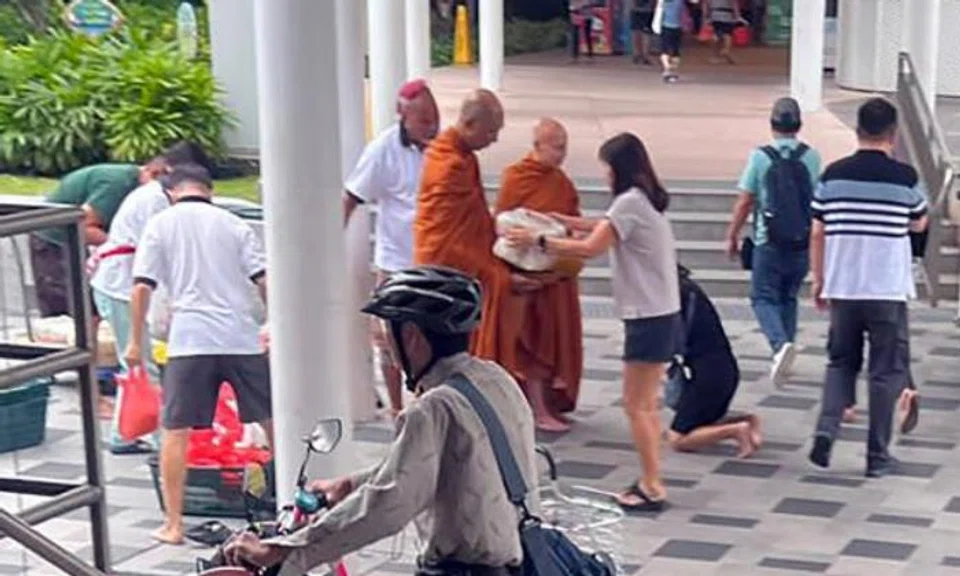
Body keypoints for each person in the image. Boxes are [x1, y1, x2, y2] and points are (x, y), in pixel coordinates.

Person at [221, 267, 539, 576]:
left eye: (388, 332)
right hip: (516, 561)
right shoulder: (498, 381)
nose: (385, 344)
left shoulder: (432, 409)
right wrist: (350, 485)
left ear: (411, 336)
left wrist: (286, 550)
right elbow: (434, 466)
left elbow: (387, 506)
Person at [507, 132, 680, 512]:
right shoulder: (641, 202)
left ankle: (652, 485)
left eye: (605, 168)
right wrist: (560, 220)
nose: (603, 175)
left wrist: (539, 240)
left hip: (648, 318)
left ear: (618, 169)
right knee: (645, 405)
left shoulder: (629, 204)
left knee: (638, 406)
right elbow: (601, 226)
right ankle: (652, 480)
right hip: (661, 315)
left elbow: (591, 247)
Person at [125, 163, 273, 544]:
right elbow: (263, 280)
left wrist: (134, 343)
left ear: (170, 192)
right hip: (239, 337)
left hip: (190, 340)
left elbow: (142, 287)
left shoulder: (160, 224)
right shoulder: (234, 224)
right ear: (209, 189)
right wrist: (274, 325)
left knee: (175, 430)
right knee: (272, 421)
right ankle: (292, 504)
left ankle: (172, 524)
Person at [808, 98, 928, 479]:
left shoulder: (832, 176)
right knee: (885, 371)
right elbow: (920, 223)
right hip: (886, 290)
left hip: (844, 285)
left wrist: (819, 279)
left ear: (858, 130)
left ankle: (827, 427)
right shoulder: (905, 178)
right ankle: (877, 456)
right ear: (892, 134)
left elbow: (817, 231)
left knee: (841, 361)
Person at [90, 141, 214, 455]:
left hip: (123, 282)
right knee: (138, 362)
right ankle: (157, 439)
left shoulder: (155, 196)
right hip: (121, 285)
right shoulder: (155, 202)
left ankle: (130, 434)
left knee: (138, 363)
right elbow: (164, 250)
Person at [415, 89, 542, 381]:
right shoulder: (448, 164)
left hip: (463, 267)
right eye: (491, 132)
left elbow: (473, 221)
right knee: (446, 362)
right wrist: (500, 275)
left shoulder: (462, 156)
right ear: (470, 125)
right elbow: (450, 244)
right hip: (443, 278)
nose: (495, 139)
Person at [343, 78, 440, 418]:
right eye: (423, 119)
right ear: (403, 115)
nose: (431, 126)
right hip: (396, 262)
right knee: (390, 339)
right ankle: (397, 409)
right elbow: (351, 198)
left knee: (432, 339)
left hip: (434, 261)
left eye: (434, 118)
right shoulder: (382, 149)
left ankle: (427, 405)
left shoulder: (444, 147)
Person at [726, 97, 821, 387]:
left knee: (762, 297)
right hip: (802, 240)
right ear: (799, 125)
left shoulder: (761, 157)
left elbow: (746, 201)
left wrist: (732, 234)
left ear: (772, 124)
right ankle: (785, 349)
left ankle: (780, 346)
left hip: (769, 240)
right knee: (788, 297)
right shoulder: (812, 156)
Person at [496, 118, 584, 432]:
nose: (562, 154)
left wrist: (569, 241)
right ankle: (535, 408)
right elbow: (502, 225)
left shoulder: (561, 182)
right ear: (538, 146)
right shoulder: (516, 178)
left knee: (555, 338)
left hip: (556, 275)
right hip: (526, 276)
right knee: (532, 342)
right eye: (557, 147)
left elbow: (574, 220)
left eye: (565, 147)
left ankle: (548, 402)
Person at [29, 158, 171, 319]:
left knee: (90, 306)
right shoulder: (117, 184)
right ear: (151, 174)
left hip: (73, 239)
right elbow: (84, 227)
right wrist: (121, 245)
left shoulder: (133, 185)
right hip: (55, 237)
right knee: (68, 308)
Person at [667, 266, 762, 457]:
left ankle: (737, 430)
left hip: (709, 379)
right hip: (723, 371)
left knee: (677, 439)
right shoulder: (690, 290)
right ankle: (749, 421)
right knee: (695, 420)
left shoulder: (674, 299)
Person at [655, 0, 686, 82]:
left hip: (666, 26)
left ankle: (667, 67)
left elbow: (659, 13)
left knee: (664, 49)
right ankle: (674, 69)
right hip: (678, 27)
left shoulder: (663, 1)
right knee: (676, 50)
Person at [630, 0, 655, 65]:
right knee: (647, 33)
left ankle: (636, 53)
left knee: (636, 31)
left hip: (636, 10)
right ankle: (645, 55)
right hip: (648, 10)